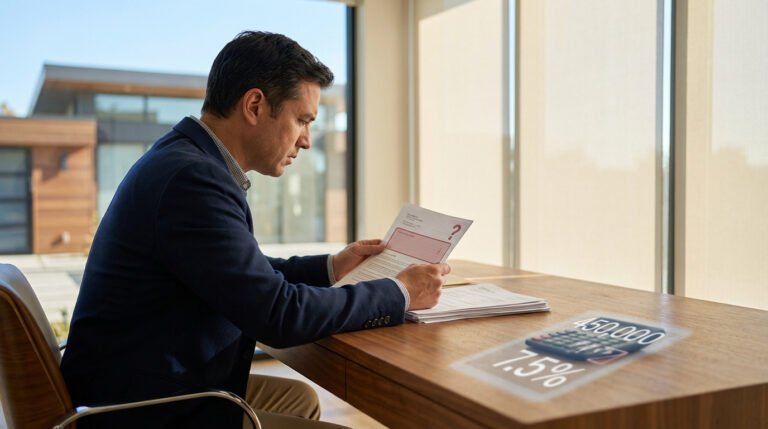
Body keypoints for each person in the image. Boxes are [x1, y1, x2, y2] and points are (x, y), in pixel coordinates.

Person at [60, 31, 449, 429]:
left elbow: (244, 273)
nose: (307, 140)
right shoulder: (192, 180)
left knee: (296, 397)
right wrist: (399, 292)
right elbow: (277, 314)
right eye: (302, 119)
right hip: (144, 411)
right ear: (255, 105)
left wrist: (332, 266)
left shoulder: (184, 160)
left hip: (143, 383)